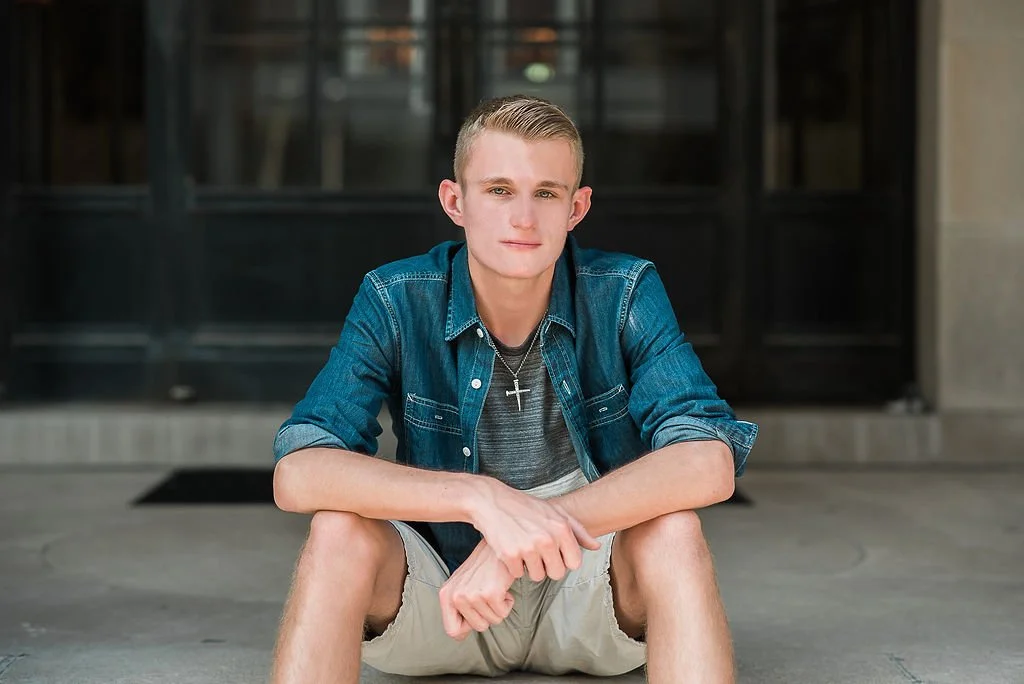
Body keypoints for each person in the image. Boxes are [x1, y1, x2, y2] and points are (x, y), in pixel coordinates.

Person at [269, 94, 757, 683]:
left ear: (576, 208)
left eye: (546, 193)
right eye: (499, 190)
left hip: (586, 597)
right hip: (448, 597)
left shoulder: (623, 290)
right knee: (335, 532)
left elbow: (707, 462)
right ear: (457, 201)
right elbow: (300, 472)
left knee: (674, 532)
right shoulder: (397, 299)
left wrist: (518, 539)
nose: (523, 217)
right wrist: (479, 499)